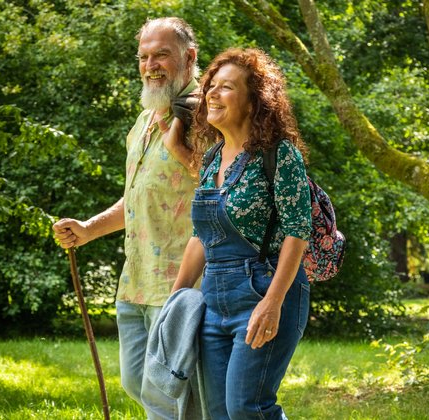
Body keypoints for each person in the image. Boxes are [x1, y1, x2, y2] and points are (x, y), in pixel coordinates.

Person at [52, 17, 201, 417]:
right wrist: (87, 230)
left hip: (181, 285)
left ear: (189, 58)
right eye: (144, 56)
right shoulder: (145, 120)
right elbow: (138, 198)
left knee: (172, 396)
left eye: (162, 55)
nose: (150, 65)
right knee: (137, 382)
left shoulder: (207, 114)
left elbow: (227, 187)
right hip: (135, 281)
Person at [171, 48, 313, 419]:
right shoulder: (213, 159)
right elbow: (203, 236)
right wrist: (177, 299)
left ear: (254, 103)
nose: (212, 94)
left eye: (227, 87)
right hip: (214, 298)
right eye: (210, 87)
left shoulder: (279, 154)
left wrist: (273, 302)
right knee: (219, 413)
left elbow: (298, 231)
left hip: (264, 289)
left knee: (248, 408)